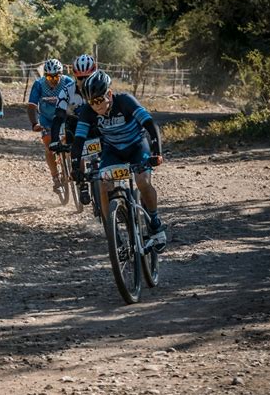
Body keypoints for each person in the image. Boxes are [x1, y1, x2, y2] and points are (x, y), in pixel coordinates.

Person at [70, 70, 166, 250]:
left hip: (137, 146)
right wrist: (76, 168)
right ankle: (112, 232)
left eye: (99, 100)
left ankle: (154, 222)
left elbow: (150, 125)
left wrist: (157, 153)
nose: (96, 106)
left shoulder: (125, 101)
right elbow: (78, 141)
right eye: (91, 102)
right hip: (113, 151)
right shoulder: (88, 112)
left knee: (142, 181)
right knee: (103, 186)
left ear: (109, 94)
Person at [49, 54, 97, 204]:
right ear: (75, 76)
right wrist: (54, 140)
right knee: (76, 149)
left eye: (87, 77)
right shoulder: (66, 91)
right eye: (80, 78)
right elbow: (58, 117)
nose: (83, 81)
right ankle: (82, 184)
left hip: (98, 125)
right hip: (75, 126)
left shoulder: (101, 86)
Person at [27, 58, 71, 192]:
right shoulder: (39, 84)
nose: (52, 79)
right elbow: (32, 106)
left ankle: (69, 164)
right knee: (48, 146)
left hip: (64, 117)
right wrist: (34, 123)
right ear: (44, 75)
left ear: (61, 74)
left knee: (70, 142)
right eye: (49, 76)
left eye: (56, 76)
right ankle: (55, 177)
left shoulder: (68, 82)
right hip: (47, 120)